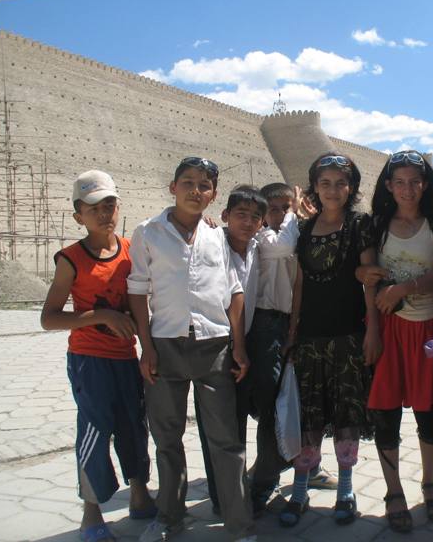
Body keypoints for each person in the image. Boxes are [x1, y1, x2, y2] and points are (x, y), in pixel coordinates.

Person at [127, 157, 256, 542]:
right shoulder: (148, 232)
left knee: (226, 442)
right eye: (188, 183)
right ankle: (169, 518)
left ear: (213, 194)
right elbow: (137, 291)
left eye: (204, 185)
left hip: (213, 347)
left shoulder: (217, 235)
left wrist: (239, 346)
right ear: (173, 187)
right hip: (165, 347)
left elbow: (233, 290)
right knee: (167, 439)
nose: (195, 191)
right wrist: (146, 348)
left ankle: (239, 524)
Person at [40, 170, 156, 542]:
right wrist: (101, 316)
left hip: (126, 357)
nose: (103, 213)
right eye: (93, 208)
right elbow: (49, 318)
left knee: (134, 426)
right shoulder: (70, 259)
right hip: (90, 360)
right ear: (79, 216)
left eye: (109, 205)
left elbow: (140, 301)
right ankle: (92, 512)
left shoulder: (130, 252)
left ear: (118, 207)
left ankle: (139, 494)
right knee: (94, 430)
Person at [279, 153, 379, 527]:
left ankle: (346, 489)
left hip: (349, 336)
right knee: (309, 416)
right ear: (314, 187)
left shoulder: (360, 225)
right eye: (325, 183)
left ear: (351, 187)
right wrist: (292, 332)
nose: (333, 190)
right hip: (310, 338)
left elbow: (369, 276)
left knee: (345, 416)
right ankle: (301, 488)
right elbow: (301, 283)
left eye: (340, 182)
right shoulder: (305, 229)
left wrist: (373, 330)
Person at [362, 150, 433, 533]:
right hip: (389, 329)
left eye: (415, 181)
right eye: (399, 181)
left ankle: (430, 484)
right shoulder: (376, 224)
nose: (408, 188)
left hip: (428, 328)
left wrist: (402, 288)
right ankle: (394, 491)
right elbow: (367, 278)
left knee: (428, 413)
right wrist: (373, 329)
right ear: (387, 185)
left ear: (426, 184)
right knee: (386, 413)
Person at [250, 182, 337, 512]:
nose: (281, 214)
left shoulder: (303, 233)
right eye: (274, 208)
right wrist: (295, 211)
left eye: (285, 207)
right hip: (267, 326)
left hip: (302, 324)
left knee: (308, 400)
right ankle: (264, 479)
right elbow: (283, 246)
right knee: (274, 406)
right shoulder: (264, 237)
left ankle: (307, 466)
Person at [194, 185, 266, 516]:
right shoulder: (211, 243)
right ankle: (224, 499)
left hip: (246, 343)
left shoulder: (257, 248)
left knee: (239, 422)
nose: (248, 223)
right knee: (220, 426)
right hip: (215, 345)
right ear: (224, 216)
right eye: (241, 215)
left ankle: (239, 489)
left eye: (255, 217)